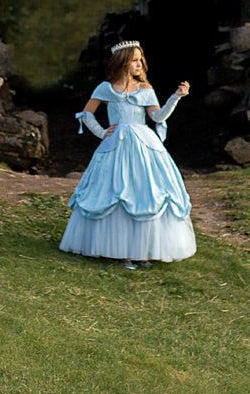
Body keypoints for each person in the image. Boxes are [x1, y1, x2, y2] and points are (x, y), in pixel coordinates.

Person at [59, 40, 197, 270]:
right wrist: (102, 132)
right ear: (122, 62)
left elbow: (158, 117)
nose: (139, 64)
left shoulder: (146, 89)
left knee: (145, 193)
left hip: (145, 146)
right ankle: (121, 251)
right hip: (117, 146)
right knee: (116, 192)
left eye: (141, 59)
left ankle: (141, 251)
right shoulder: (105, 88)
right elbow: (86, 114)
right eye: (134, 59)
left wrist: (176, 97)